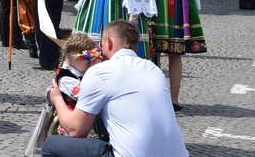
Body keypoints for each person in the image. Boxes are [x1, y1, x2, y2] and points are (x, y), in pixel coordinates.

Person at [43, 20, 188, 157]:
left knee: (50, 145)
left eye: (101, 44)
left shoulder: (100, 71)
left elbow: (76, 130)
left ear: (109, 41)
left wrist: (56, 97)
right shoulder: (153, 69)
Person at [50, 34, 107, 140]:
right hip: (71, 122)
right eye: (89, 60)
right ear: (77, 59)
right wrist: (92, 72)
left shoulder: (80, 73)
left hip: (85, 120)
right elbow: (84, 95)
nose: (92, 64)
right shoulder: (66, 79)